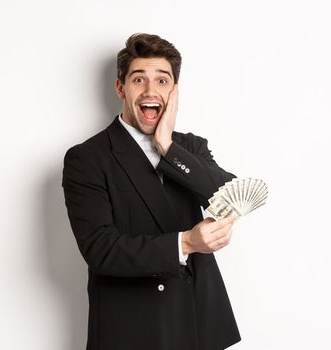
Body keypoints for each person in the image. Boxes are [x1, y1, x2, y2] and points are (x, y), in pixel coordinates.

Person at [61, 33, 242, 350]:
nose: (150, 90)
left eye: (162, 81)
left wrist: (168, 146)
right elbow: (102, 250)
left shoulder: (189, 147)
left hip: (198, 322)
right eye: (138, 79)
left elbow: (231, 198)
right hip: (134, 327)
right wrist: (185, 242)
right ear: (121, 88)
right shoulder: (87, 158)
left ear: (174, 92)